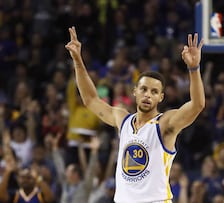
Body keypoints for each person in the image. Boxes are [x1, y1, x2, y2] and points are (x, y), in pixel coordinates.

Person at [65, 26, 205, 202]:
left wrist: (194, 69)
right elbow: (90, 100)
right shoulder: (122, 119)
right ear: (135, 92)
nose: (148, 94)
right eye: (144, 89)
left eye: (154, 92)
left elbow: (197, 105)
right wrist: (78, 60)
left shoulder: (164, 124)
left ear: (161, 97)